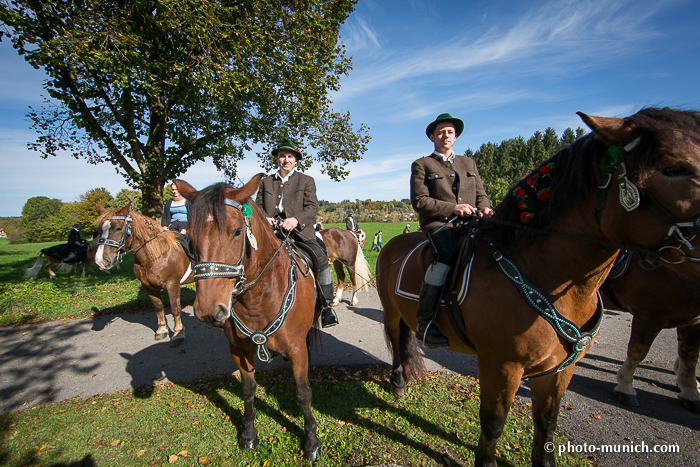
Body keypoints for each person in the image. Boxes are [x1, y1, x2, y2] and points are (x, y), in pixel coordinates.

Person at [410, 113, 493, 348]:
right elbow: (419, 201)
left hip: (473, 221)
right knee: (446, 254)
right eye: (440, 132)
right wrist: (453, 208)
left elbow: (480, 194)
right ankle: (425, 322)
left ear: (455, 136)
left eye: (449, 132)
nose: (445, 135)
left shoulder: (469, 163)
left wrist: (485, 208)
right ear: (432, 137)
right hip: (439, 223)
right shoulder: (422, 164)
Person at [255, 139, 338, 328]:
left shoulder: (306, 180)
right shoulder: (265, 182)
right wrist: (263, 217)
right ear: (277, 158)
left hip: (300, 232)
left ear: (295, 160)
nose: (286, 159)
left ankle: (326, 306)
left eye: (290, 156)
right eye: (282, 156)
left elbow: (312, 207)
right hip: (270, 234)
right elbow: (257, 206)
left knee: (321, 256)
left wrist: (295, 220)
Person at [161, 182, 195, 264]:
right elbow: (165, 216)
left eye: (176, 189)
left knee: (182, 238)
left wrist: (187, 229)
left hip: (185, 225)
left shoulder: (187, 201)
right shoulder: (169, 202)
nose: (174, 191)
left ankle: (193, 259)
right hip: (172, 226)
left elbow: (192, 217)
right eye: (173, 189)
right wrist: (164, 226)